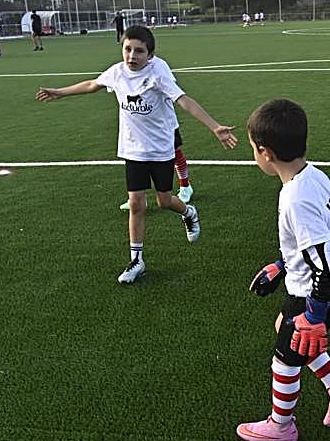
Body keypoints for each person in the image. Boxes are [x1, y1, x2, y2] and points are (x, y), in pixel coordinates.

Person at [35, 25, 237, 284]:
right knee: (137, 204)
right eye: (127, 49)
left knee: (164, 202)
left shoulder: (158, 74)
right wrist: (59, 92)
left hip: (161, 149)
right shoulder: (117, 72)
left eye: (139, 51)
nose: (132, 56)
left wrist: (214, 126)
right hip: (132, 149)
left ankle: (188, 213)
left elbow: (184, 100)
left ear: (150, 55)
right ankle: (136, 260)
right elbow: (92, 84)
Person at [236, 98, 330, 441]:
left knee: (286, 356)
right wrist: (280, 265)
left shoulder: (296, 198)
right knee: (285, 329)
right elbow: (312, 240)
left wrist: (315, 316)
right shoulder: (313, 175)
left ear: (265, 153)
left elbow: (321, 261)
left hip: (320, 290)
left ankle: (281, 425)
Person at [119, 129, 193, 210]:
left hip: (162, 120)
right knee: (137, 150)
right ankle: (137, 197)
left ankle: (185, 185)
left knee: (174, 147)